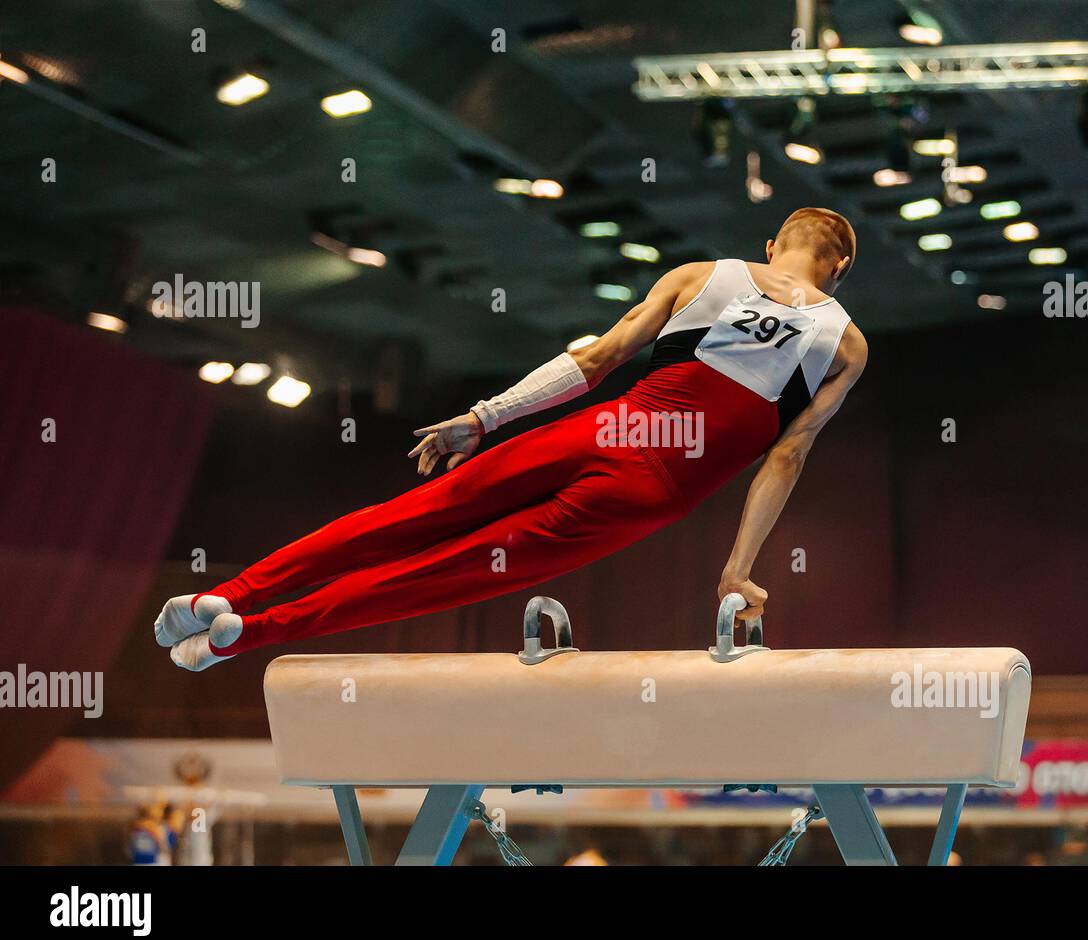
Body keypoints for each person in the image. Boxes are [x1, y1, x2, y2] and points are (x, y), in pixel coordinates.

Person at [157, 208, 868, 670]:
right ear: (840, 271)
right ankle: (247, 634)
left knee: (401, 519)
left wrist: (486, 416)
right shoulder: (844, 345)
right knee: (444, 571)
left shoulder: (701, 275)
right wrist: (737, 569)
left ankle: (234, 593)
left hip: (596, 430)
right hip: (646, 494)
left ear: (771, 246)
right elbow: (787, 456)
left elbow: (595, 360)